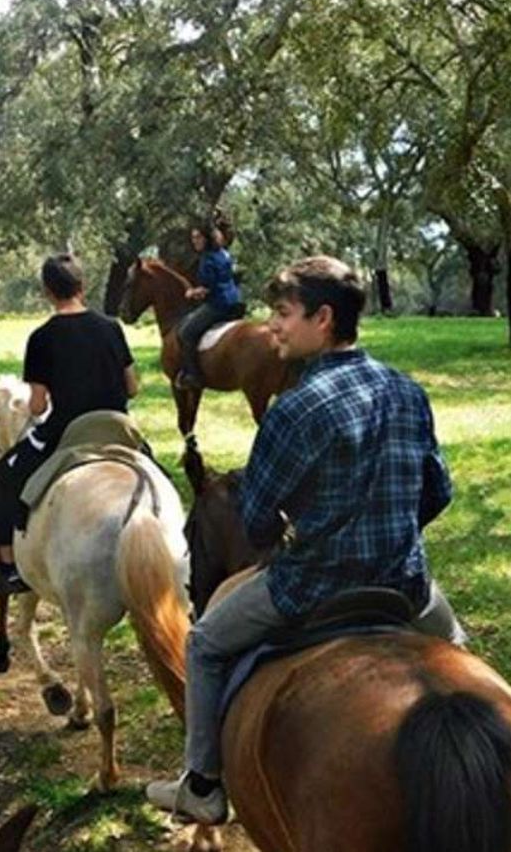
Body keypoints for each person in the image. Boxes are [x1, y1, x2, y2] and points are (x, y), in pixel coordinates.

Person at [146, 256, 466, 825]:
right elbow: (437, 492)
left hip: (312, 584)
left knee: (204, 644)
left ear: (323, 319)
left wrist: (296, 526)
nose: (272, 326)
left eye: (283, 314)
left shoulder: (293, 410)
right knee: (459, 659)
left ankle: (200, 783)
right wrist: (389, 527)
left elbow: (259, 520)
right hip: (405, 583)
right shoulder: (407, 391)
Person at [0, 252, 138, 595]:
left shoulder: (41, 338)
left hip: (68, 431)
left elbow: (38, 405)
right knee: (160, 479)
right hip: (118, 427)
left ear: (47, 292)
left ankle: (9, 569)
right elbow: (133, 387)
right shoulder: (112, 327)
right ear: (82, 286)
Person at [175, 221, 241, 391]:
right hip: (235, 301)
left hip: (218, 304)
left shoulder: (207, 259)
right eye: (193, 238)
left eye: (198, 237)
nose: (195, 241)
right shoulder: (224, 253)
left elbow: (206, 290)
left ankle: (193, 375)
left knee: (185, 332)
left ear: (207, 238)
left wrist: (191, 293)